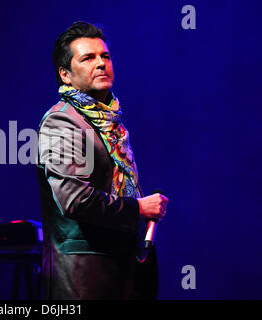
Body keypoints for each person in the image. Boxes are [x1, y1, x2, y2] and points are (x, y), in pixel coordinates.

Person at [36, 21, 169, 300]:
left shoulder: (110, 121)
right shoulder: (62, 122)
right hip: (86, 277)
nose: (100, 64)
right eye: (88, 58)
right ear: (65, 75)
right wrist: (138, 209)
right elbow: (75, 199)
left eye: (105, 56)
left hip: (125, 270)